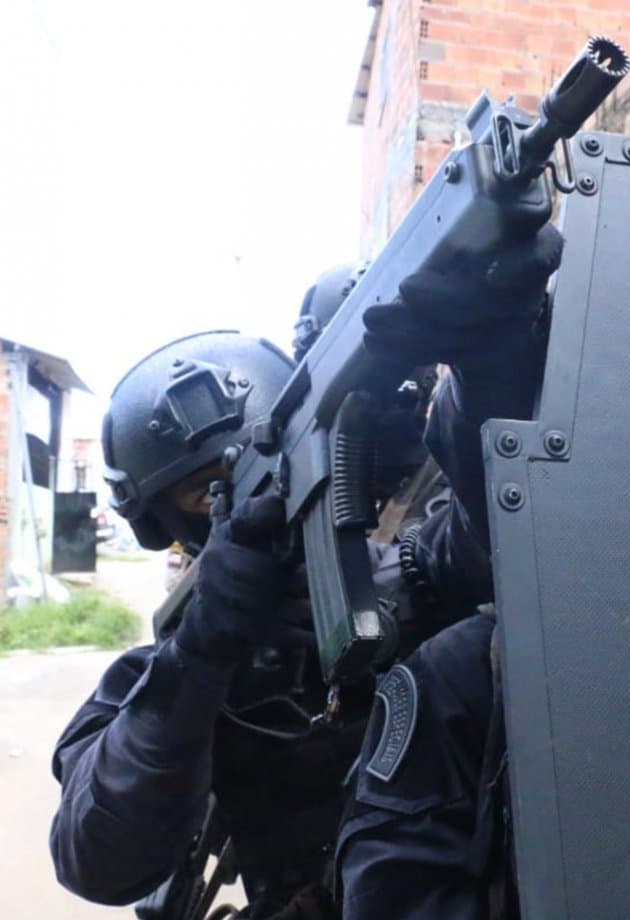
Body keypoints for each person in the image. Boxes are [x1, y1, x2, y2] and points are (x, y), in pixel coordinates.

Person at [50, 330, 385, 920]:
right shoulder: (164, 673)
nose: (243, 506)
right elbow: (96, 860)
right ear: (165, 524)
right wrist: (200, 657)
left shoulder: (411, 571)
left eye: (264, 475)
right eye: (203, 494)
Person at [336, 224, 564, 919]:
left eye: (415, 385)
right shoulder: (250, 567)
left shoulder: (441, 492)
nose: (399, 404)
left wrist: (492, 367)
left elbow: (493, 538)